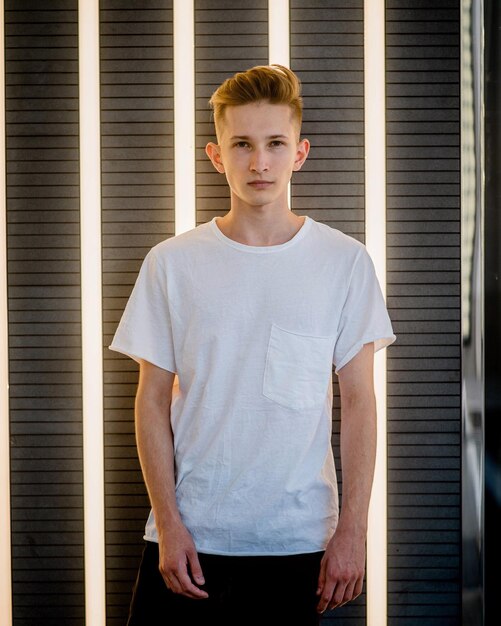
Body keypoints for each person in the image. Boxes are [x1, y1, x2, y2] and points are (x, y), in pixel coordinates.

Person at [110, 64, 396, 625]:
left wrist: (353, 531)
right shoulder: (171, 263)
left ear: (300, 152)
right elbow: (150, 401)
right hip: (189, 539)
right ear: (216, 154)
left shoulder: (344, 263)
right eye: (241, 144)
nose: (259, 162)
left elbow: (360, 402)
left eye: (274, 144)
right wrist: (168, 524)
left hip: (296, 543)